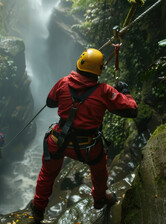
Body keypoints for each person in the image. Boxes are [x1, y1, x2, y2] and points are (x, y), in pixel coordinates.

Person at [30, 48, 138, 222]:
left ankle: (38, 209)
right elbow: (131, 110)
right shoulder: (104, 91)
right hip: (87, 146)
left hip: (59, 140)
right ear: (99, 70)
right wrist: (124, 92)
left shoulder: (63, 82)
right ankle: (99, 198)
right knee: (99, 172)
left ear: (80, 63)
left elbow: (50, 102)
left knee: (47, 175)